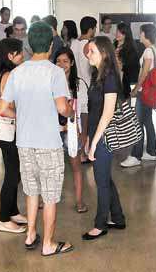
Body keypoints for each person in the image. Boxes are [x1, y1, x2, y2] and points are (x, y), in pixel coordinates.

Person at [0, 21, 74, 256]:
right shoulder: (55, 72)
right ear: (51, 46)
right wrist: (71, 113)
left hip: (24, 141)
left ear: (29, 45)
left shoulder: (17, 72)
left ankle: (31, 235)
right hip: (48, 142)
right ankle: (49, 244)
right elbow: (62, 108)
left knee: (31, 190)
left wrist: (24, 115)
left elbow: (2, 108)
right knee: (50, 195)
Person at [82, 36, 126, 240]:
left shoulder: (109, 77)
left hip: (105, 135)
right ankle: (117, 217)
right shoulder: (97, 74)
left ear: (104, 53)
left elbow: (107, 114)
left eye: (92, 51)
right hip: (96, 133)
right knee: (105, 177)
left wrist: (95, 143)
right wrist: (89, 138)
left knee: (101, 181)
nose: (88, 54)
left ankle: (100, 224)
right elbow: (94, 111)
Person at [0, 38, 27, 234]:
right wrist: (23, 115)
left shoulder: (4, 73)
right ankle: (4, 219)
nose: (22, 56)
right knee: (12, 176)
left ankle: (12, 211)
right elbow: (5, 110)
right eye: (19, 53)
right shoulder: (8, 75)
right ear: (10, 56)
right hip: (7, 130)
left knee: (15, 173)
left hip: (6, 131)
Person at [53, 47, 88, 213]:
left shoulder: (79, 84)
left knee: (76, 167)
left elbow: (85, 110)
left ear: (72, 63)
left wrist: (84, 133)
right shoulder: (50, 82)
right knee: (50, 167)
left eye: (65, 61)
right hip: (53, 130)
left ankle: (79, 201)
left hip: (72, 131)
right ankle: (42, 200)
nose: (61, 65)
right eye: (58, 61)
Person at [120, 24, 156, 168]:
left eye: (141, 33)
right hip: (149, 91)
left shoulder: (148, 51)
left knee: (137, 122)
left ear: (145, 34)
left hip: (144, 91)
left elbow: (145, 72)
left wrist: (136, 88)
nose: (139, 35)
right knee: (147, 121)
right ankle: (151, 152)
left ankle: (136, 155)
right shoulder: (153, 49)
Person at [71, 16, 97, 163]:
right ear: (91, 29)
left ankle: (78, 151)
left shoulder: (73, 43)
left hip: (75, 87)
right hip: (87, 87)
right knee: (86, 122)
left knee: (78, 122)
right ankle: (83, 153)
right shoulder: (89, 45)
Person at [114, 22, 140, 100]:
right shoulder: (113, 44)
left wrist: (120, 64)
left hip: (125, 81)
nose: (118, 34)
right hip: (113, 79)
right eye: (117, 31)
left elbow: (132, 68)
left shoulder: (131, 49)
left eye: (121, 32)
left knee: (125, 107)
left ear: (126, 34)